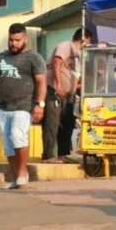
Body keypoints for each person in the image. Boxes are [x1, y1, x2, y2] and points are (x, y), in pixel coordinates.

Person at [0, 23, 47, 190]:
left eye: (17, 40)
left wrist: (40, 104)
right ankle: (16, 177)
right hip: (3, 107)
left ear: (25, 38)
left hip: (23, 106)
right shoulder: (0, 58)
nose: (13, 43)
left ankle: (22, 172)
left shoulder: (34, 58)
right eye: (11, 40)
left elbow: (41, 81)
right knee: (7, 143)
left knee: (17, 135)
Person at [42, 27, 92, 164]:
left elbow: (76, 76)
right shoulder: (66, 46)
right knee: (52, 123)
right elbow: (57, 62)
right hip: (54, 91)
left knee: (68, 123)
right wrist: (58, 84)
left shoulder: (79, 57)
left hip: (69, 96)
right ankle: (48, 155)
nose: (88, 45)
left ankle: (63, 154)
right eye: (88, 41)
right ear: (83, 39)